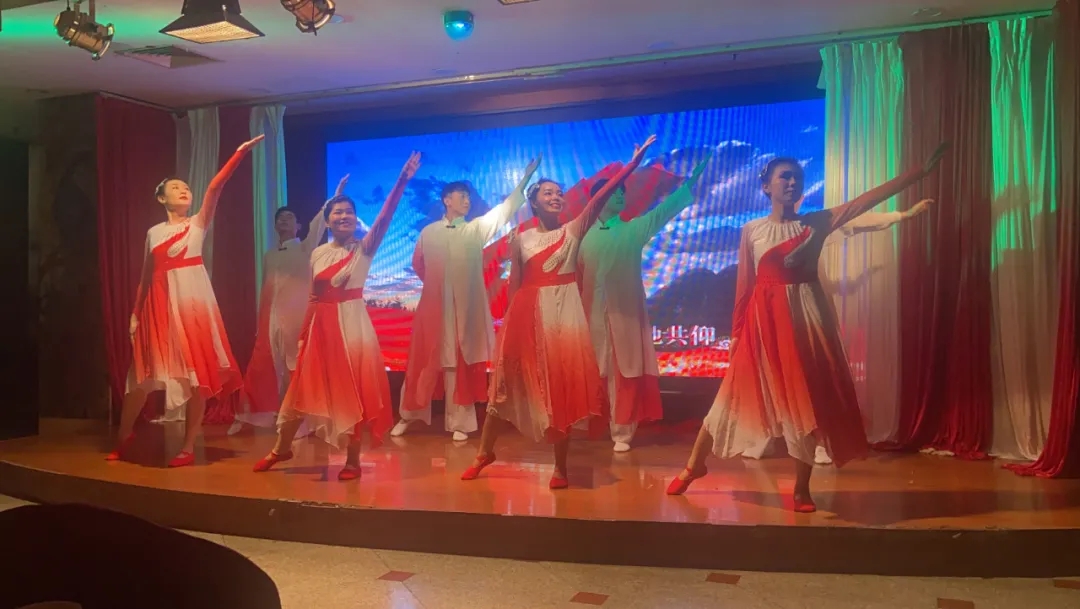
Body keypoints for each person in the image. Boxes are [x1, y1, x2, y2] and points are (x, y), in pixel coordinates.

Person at [666, 143, 948, 511]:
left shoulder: (817, 222)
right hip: (763, 328)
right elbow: (745, 287)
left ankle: (801, 488)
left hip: (805, 323)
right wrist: (736, 335)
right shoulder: (752, 231)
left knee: (804, 406)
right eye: (784, 176)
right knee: (729, 400)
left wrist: (918, 173)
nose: (792, 182)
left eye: (797, 177)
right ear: (766, 186)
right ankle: (694, 466)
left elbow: (864, 202)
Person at [461, 136, 657, 490]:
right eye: (547, 192)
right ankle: (483, 453)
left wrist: (631, 165)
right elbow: (516, 286)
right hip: (526, 318)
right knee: (503, 389)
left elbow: (598, 200)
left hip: (562, 319)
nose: (556, 196)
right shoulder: (521, 239)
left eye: (559, 192)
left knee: (560, 391)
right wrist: (509, 332)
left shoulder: (573, 231)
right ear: (534, 202)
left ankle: (560, 467)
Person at [253, 152, 422, 481]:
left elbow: (386, 216)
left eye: (349, 212)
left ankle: (352, 459)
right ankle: (281, 448)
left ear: (356, 220)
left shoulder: (364, 248)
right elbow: (313, 297)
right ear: (328, 220)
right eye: (338, 212)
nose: (344, 216)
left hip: (351, 327)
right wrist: (304, 335)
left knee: (351, 392)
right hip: (320, 328)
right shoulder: (317, 252)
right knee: (300, 391)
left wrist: (402, 180)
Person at [108, 135, 264, 468]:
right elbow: (146, 276)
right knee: (141, 378)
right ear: (161, 197)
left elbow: (215, 188)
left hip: (192, 303)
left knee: (196, 378)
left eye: (187, 188)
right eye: (176, 188)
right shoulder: (153, 232)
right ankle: (123, 436)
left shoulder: (198, 223)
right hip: (158, 308)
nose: (184, 191)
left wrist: (238, 154)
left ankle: (189, 445)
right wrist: (135, 315)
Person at [394, 158, 542, 441]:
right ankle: (409, 415)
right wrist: (438, 291)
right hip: (434, 310)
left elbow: (505, 209)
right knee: (423, 362)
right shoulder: (428, 232)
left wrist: (524, 179)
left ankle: (460, 422)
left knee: (459, 362)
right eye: (461, 195)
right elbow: (419, 265)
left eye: (468, 196)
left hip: (465, 310)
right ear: (446, 199)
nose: (467, 200)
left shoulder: (475, 229)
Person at [578, 155, 711, 452]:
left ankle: (622, 431)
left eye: (623, 191)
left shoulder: (633, 229)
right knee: (595, 371)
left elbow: (663, 211)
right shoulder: (580, 237)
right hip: (591, 315)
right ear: (598, 198)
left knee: (624, 371)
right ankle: (594, 423)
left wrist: (689, 184)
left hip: (625, 315)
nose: (621, 195)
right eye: (614, 190)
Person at [230, 176, 348, 435]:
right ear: (275, 226)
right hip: (271, 319)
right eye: (280, 218)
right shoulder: (269, 255)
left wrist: (335, 196)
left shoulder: (306, 248)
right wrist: (262, 322)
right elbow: (266, 289)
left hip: (296, 318)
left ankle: (300, 421)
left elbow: (319, 222)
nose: (284, 220)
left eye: (289, 217)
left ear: (298, 226)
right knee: (267, 368)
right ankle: (258, 415)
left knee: (296, 367)